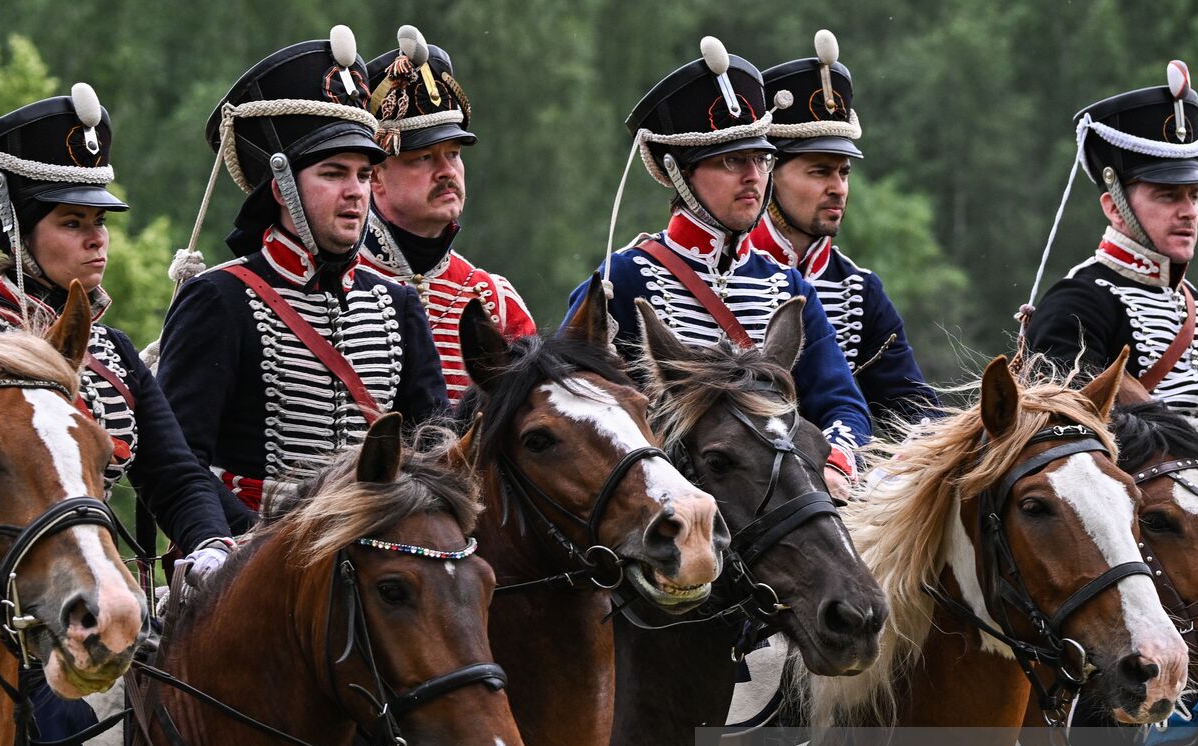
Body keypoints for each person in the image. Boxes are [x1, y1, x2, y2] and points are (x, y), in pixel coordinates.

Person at [0, 82, 232, 746]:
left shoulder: (107, 351)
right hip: (2, 616)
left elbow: (175, 475)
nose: (97, 240)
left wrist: (209, 546)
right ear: (20, 226)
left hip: (108, 598)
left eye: (101, 221)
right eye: (72, 222)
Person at [156, 26, 448, 532]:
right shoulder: (220, 299)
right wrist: (236, 549)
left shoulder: (398, 304)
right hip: (254, 559)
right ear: (282, 184)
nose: (356, 192)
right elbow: (178, 465)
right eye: (334, 174)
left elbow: (434, 454)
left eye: (362, 174)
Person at [566, 36, 870, 497]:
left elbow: (843, 405)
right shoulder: (622, 280)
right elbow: (576, 411)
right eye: (732, 160)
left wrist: (834, 464)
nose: (753, 176)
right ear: (678, 172)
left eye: (761, 159)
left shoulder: (786, 284)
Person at [1023, 60, 1198, 479]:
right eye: (1167, 196)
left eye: (1193, 196)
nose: (1188, 212)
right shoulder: (1079, 303)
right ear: (1114, 207)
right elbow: (1070, 443)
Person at [747, 30, 935, 428]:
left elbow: (911, 407)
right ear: (768, 174)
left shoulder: (859, 289)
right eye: (819, 171)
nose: (838, 188)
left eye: (844, 172)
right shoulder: (730, 272)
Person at [359, 25, 535, 402]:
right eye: (423, 157)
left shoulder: (494, 299)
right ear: (375, 176)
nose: (447, 171)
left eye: (453, 154)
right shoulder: (338, 283)